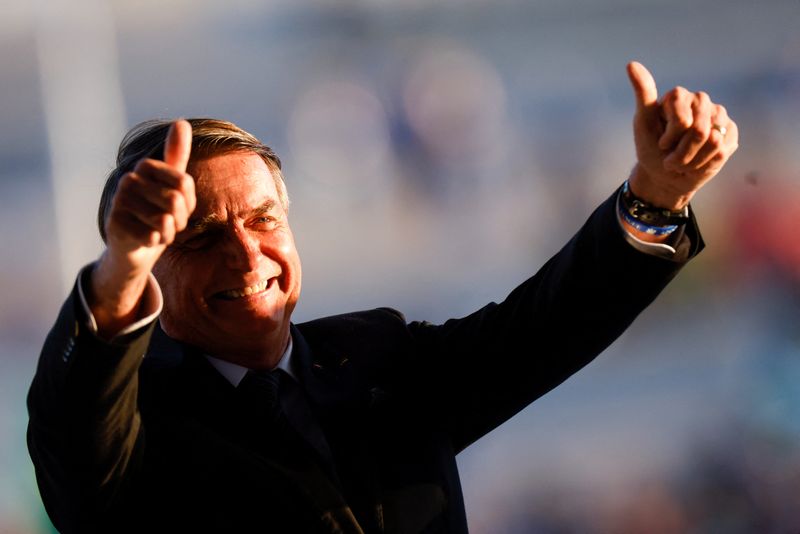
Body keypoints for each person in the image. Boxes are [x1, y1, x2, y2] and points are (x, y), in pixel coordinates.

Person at [27, 61, 738, 533]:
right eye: (202, 236)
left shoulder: (376, 357)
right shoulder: (129, 427)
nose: (247, 255)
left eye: (263, 219)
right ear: (151, 264)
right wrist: (121, 264)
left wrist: (657, 195)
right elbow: (78, 406)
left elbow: (546, 326)